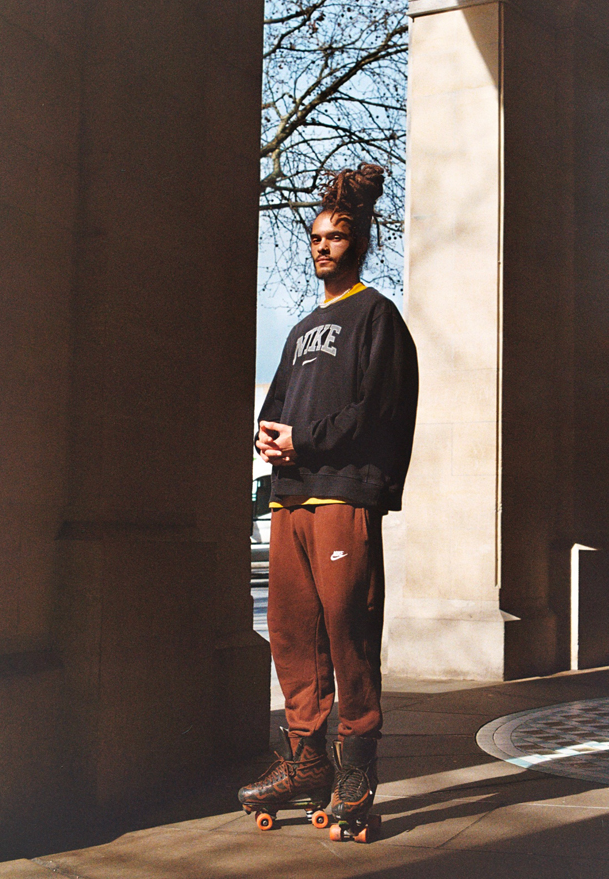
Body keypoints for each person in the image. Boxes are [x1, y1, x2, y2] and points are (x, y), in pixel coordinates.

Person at [238, 163, 418, 840]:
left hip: (342, 497)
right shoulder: (299, 330)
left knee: (347, 629)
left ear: (358, 243)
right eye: (314, 237)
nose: (321, 246)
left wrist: (303, 439)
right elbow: (275, 407)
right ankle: (306, 762)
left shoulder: (376, 315)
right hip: (290, 502)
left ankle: (356, 765)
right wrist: (271, 440)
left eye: (335, 237)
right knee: (290, 635)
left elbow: (377, 411)